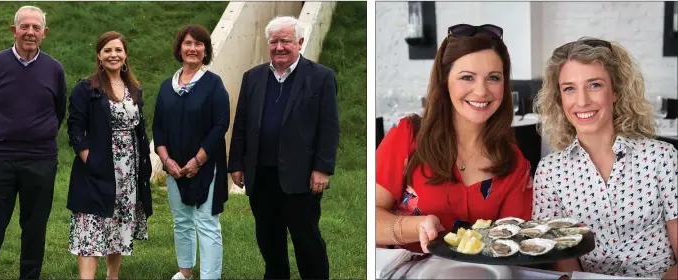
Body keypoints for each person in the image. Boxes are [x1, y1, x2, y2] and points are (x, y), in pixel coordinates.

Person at [375, 24, 534, 253]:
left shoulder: (514, 163)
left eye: (494, 78)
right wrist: (417, 226)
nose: (481, 91)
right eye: (467, 77)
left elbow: (512, 245)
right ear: (445, 82)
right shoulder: (407, 135)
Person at [532, 37, 677, 279]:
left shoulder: (662, 158)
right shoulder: (550, 172)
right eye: (569, 88)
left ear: (616, 91)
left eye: (595, 85)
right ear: (559, 98)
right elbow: (564, 264)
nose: (582, 101)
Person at [228, 16, 339, 279]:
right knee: (268, 239)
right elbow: (241, 124)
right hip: (261, 174)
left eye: (285, 41)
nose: (279, 47)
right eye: (274, 41)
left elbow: (329, 127)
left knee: (307, 240)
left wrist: (322, 169)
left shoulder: (321, 77)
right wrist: (236, 164)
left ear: (299, 43)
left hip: (300, 176)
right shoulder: (252, 77)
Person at [0, 5, 66, 279]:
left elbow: (58, 111)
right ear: (14, 30)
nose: (30, 32)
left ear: (44, 33)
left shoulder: (54, 69)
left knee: (35, 227)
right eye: (24, 26)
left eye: (36, 27)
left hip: (41, 161)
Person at [66, 31, 153, 279]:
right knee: (91, 226)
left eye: (118, 50)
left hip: (128, 171)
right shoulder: (87, 88)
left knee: (118, 225)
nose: (113, 55)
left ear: (125, 56)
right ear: (99, 56)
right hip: (97, 167)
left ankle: (112, 276)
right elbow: (74, 127)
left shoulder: (134, 89)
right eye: (107, 50)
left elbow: (140, 127)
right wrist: (88, 158)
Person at [152, 24, 230, 280]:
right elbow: (159, 127)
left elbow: (220, 125)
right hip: (174, 167)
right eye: (188, 43)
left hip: (206, 166)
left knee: (207, 223)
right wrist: (166, 161)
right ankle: (185, 272)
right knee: (182, 221)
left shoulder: (213, 84)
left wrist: (198, 160)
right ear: (179, 48)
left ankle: (210, 276)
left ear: (205, 50)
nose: (193, 49)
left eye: (198, 44)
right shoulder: (167, 86)